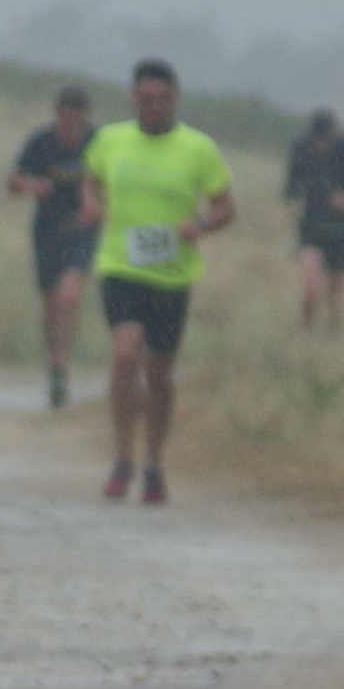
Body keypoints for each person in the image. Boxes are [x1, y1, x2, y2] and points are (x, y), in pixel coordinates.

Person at [79, 58, 234, 505]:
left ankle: (154, 462)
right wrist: (91, 204)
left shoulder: (198, 148)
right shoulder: (110, 139)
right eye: (146, 99)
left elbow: (225, 206)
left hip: (171, 274)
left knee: (160, 373)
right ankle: (121, 457)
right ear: (133, 98)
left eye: (163, 100)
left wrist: (201, 224)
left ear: (174, 100)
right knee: (125, 354)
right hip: (121, 266)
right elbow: (91, 180)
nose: (154, 107)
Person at [7, 83, 99, 408]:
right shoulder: (41, 142)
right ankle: (55, 363)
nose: (71, 123)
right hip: (47, 228)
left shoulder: (98, 141)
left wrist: (99, 204)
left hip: (82, 228)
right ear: (57, 115)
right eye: (66, 116)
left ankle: (63, 362)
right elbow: (13, 180)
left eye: (77, 117)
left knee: (68, 296)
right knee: (50, 303)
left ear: (86, 116)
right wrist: (32, 185)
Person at [283, 106, 344, 333]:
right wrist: (292, 202)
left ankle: (333, 333)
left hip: (342, 229)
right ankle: (306, 332)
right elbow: (291, 183)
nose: (320, 145)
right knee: (311, 287)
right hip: (310, 227)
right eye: (316, 140)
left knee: (335, 292)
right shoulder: (301, 147)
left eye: (325, 140)